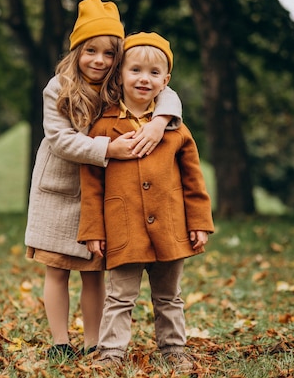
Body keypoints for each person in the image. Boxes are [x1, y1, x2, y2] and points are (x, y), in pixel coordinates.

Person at [24, 0, 183, 360]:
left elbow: (166, 90)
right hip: (59, 188)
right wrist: (109, 150)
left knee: (94, 270)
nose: (99, 60)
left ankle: (94, 342)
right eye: (90, 50)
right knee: (57, 269)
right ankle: (60, 342)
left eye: (110, 54)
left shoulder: (119, 84)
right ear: (77, 50)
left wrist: (160, 122)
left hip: (104, 190)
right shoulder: (58, 87)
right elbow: (60, 139)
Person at [77, 32, 214, 372]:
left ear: (166, 81)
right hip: (124, 227)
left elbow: (193, 180)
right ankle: (111, 352)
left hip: (170, 225)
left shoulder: (176, 130)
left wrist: (199, 222)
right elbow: (91, 184)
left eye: (154, 74)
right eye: (135, 70)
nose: (144, 79)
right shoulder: (103, 126)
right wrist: (93, 229)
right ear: (120, 73)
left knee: (169, 296)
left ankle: (174, 348)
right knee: (120, 296)